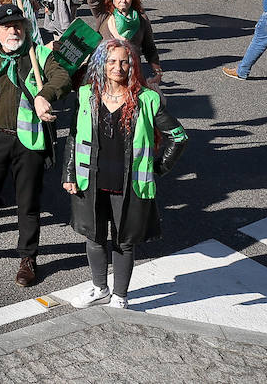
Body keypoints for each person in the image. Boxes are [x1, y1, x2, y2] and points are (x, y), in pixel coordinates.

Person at [0, 4, 73, 287]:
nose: (13, 30)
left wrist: (45, 94)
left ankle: (28, 258)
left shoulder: (39, 55)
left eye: (18, 25)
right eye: (7, 26)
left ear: (26, 28)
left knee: (28, 203)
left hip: (28, 140)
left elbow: (62, 77)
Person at [64, 38, 188, 310]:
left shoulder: (147, 99)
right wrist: (69, 173)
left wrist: (157, 168)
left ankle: (120, 295)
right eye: (111, 61)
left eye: (124, 61)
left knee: (124, 242)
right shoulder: (86, 95)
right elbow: (73, 137)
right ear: (101, 64)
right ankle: (99, 289)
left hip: (130, 184)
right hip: (91, 179)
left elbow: (178, 137)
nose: (117, 67)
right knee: (94, 237)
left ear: (132, 65)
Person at [84, 0, 162, 87]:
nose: (123, 0)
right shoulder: (104, 14)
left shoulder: (141, 19)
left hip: (131, 72)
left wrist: (157, 71)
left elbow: (149, 47)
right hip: (104, 72)